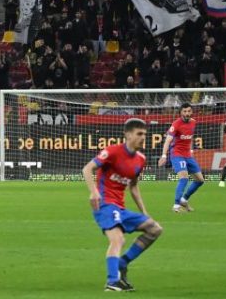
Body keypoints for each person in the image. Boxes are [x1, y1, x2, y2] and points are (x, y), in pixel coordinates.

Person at [82, 118, 164, 292]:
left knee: (155, 229)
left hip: (120, 208)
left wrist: (144, 212)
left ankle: (122, 263)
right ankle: (112, 282)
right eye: (139, 134)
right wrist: (94, 192)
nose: (143, 138)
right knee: (118, 239)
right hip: (104, 204)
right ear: (127, 134)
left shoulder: (141, 159)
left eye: (144, 134)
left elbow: (133, 186)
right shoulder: (112, 152)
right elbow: (87, 169)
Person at [158, 103, 205, 213]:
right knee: (184, 178)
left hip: (188, 155)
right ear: (181, 112)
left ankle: (184, 199)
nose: (187, 113)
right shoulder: (176, 124)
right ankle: (176, 205)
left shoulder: (193, 122)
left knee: (200, 180)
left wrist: (191, 150)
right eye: (185, 111)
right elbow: (168, 141)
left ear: (191, 112)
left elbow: (190, 137)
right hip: (177, 154)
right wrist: (164, 155)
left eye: (189, 111)